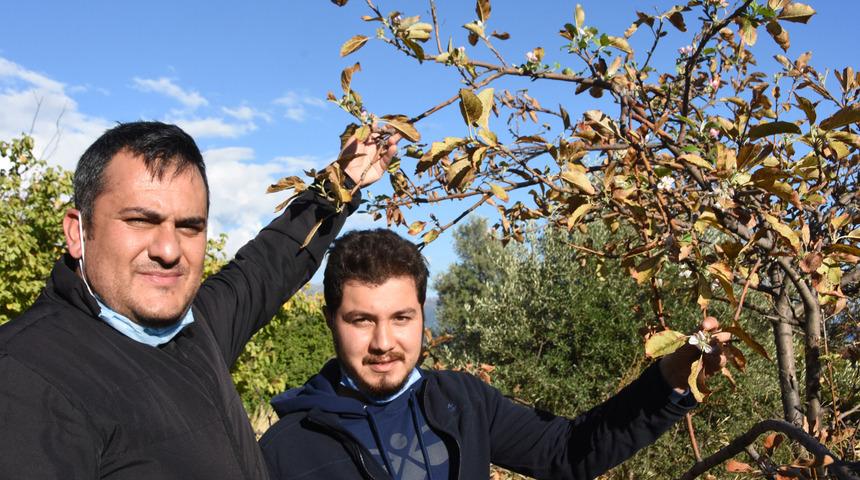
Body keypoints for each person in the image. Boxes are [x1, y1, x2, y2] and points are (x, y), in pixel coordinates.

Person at [0, 121, 399, 479]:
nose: (169, 249)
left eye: (190, 227)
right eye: (141, 220)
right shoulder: (27, 377)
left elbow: (268, 265)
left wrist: (343, 182)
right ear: (77, 231)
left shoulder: (193, 329)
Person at [259, 229, 727, 480]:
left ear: (422, 316)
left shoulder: (460, 402)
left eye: (401, 318)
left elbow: (568, 453)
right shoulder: (284, 451)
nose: (383, 342)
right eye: (362, 320)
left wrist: (667, 377)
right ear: (331, 321)